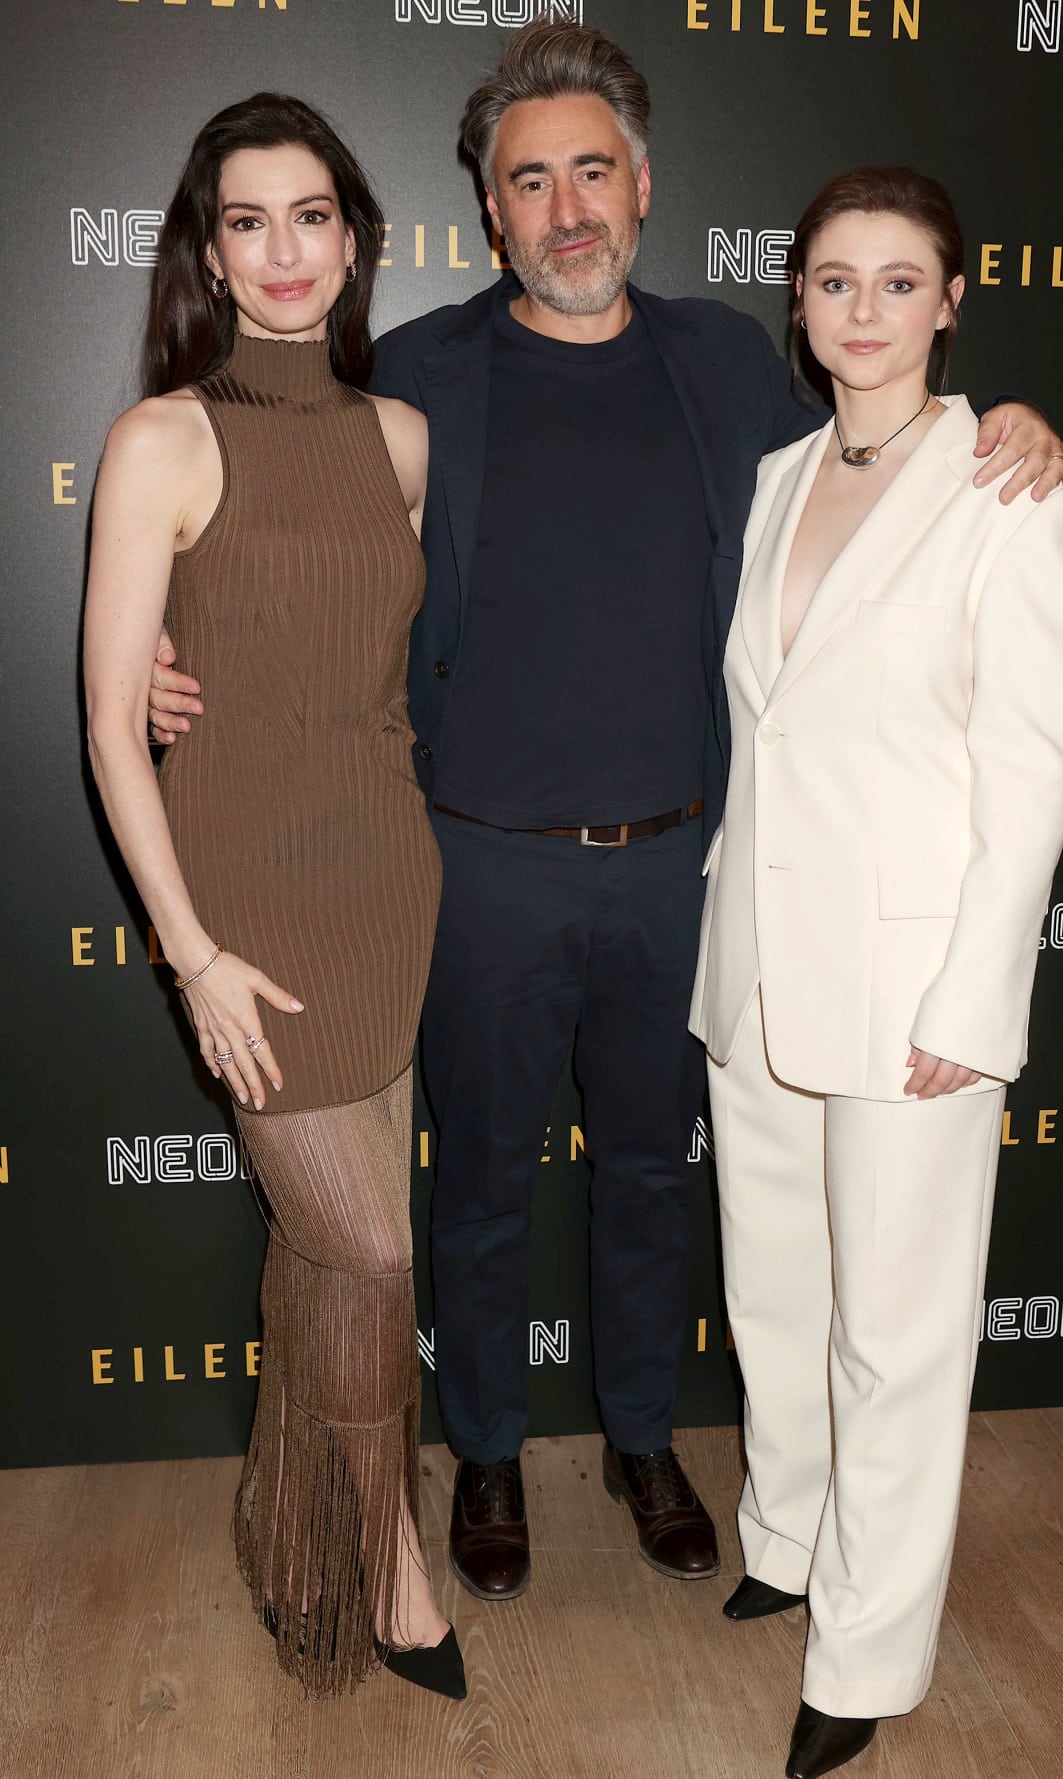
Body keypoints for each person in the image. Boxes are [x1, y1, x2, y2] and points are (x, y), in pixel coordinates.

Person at [147, 23, 1063, 1606]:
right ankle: (490, 1456)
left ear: (642, 186)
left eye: (594, 171)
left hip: (697, 869)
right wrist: (175, 650)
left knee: (660, 1174)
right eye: (531, 181)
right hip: (478, 866)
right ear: (488, 207)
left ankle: (647, 1441)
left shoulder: (732, 359)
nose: (568, 208)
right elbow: (278, 506)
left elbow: (889, 437)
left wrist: (1020, 426)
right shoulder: (422, 371)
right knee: (482, 1179)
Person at [690, 166, 1063, 1777]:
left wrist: (974, 1004)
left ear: (953, 299)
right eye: (835, 281)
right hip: (765, 972)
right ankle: (785, 1540)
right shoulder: (782, 475)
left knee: (897, 1336)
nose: (864, 310)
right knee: (777, 1294)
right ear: (800, 301)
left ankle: (863, 1654)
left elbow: (1036, 770)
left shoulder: (1015, 492)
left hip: (915, 990)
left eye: (898, 281)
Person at [83, 94, 465, 1701]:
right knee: (371, 1256)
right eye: (250, 222)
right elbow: (114, 720)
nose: (286, 250)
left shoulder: (399, 438)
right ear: (212, 253)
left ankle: (282, 1518)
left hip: (388, 879)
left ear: (355, 237)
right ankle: (385, 1554)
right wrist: (195, 959)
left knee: (324, 1261)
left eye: (312, 215)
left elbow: (355, 677)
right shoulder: (163, 435)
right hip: (243, 912)